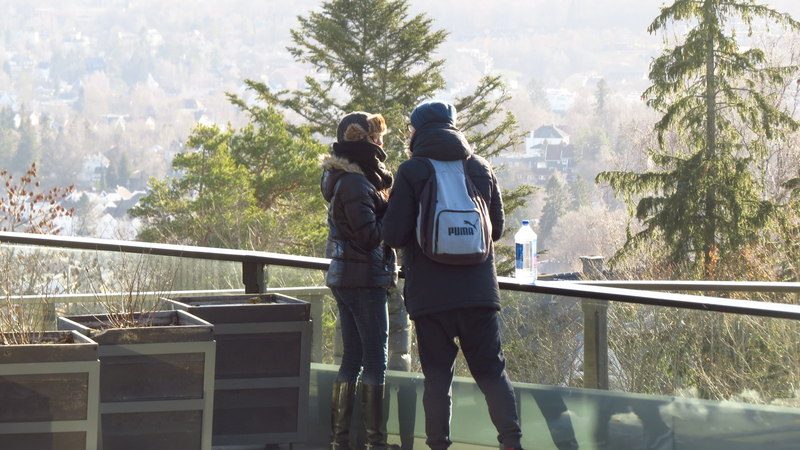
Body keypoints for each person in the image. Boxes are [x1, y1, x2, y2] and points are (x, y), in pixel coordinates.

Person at [382, 100, 523, 450]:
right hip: (478, 294)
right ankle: (511, 442)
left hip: (430, 296)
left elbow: (394, 234)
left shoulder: (412, 170)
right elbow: (496, 230)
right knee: (492, 374)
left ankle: (438, 445)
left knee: (437, 380)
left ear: (417, 130)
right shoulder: (480, 167)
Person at [320, 111, 397, 450]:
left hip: (347, 275)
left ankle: (340, 441)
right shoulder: (355, 183)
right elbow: (368, 236)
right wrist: (392, 211)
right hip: (363, 278)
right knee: (375, 360)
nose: (380, 145)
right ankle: (374, 443)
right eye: (375, 138)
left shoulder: (345, 179)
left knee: (352, 358)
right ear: (362, 141)